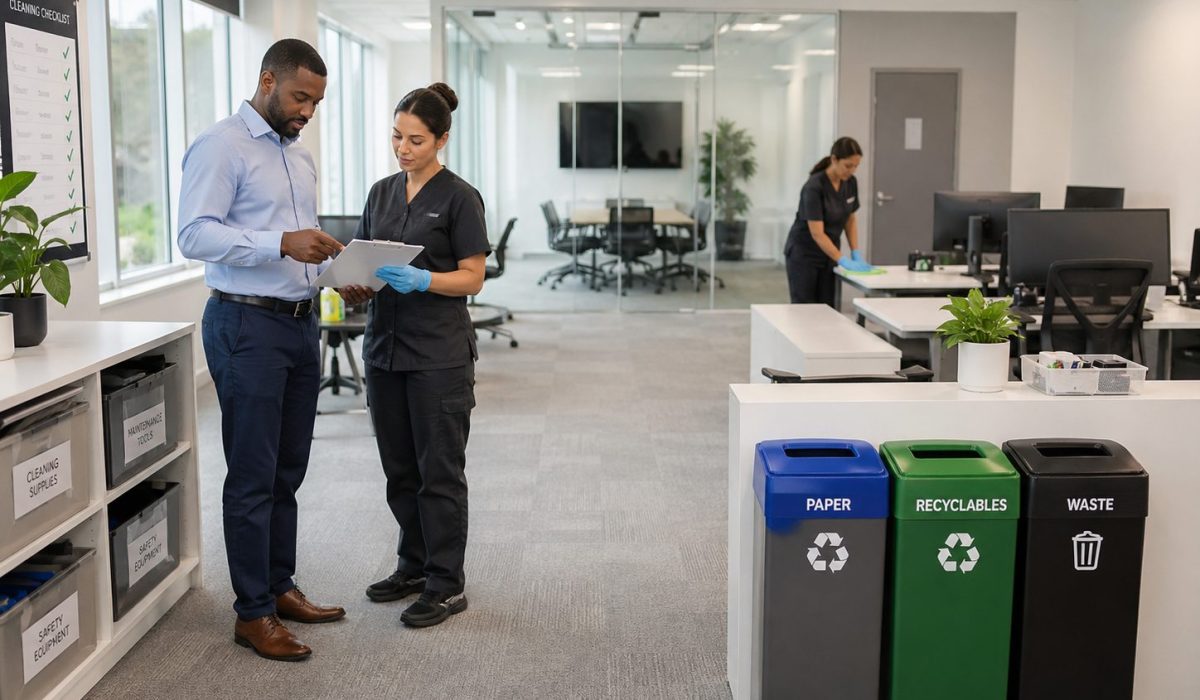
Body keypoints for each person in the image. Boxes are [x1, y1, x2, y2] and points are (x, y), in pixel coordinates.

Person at [178, 39, 347, 662]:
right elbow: (194, 234)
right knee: (252, 474)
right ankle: (252, 613)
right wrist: (280, 243)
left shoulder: (297, 156)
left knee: (287, 470)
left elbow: (299, 248)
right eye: (301, 97)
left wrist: (335, 272)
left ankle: (279, 587)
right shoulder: (222, 145)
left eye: (317, 102)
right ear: (267, 80)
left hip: (300, 325)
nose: (308, 111)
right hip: (245, 328)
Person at [337, 83, 490, 628]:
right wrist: (354, 284)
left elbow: (474, 276)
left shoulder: (459, 197)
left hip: (438, 356)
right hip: (384, 350)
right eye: (396, 137)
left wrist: (426, 278)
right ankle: (413, 565)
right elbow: (362, 257)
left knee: (438, 473)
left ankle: (446, 583)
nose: (403, 148)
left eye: (416, 140)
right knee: (399, 470)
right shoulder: (380, 193)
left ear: (442, 140)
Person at [784, 136, 872, 306]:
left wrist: (855, 252)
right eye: (848, 165)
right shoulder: (814, 187)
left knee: (828, 309)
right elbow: (817, 233)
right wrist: (842, 260)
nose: (852, 170)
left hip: (829, 253)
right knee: (805, 310)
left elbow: (850, 219)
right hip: (805, 254)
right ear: (834, 159)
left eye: (856, 166)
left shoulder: (850, 182)